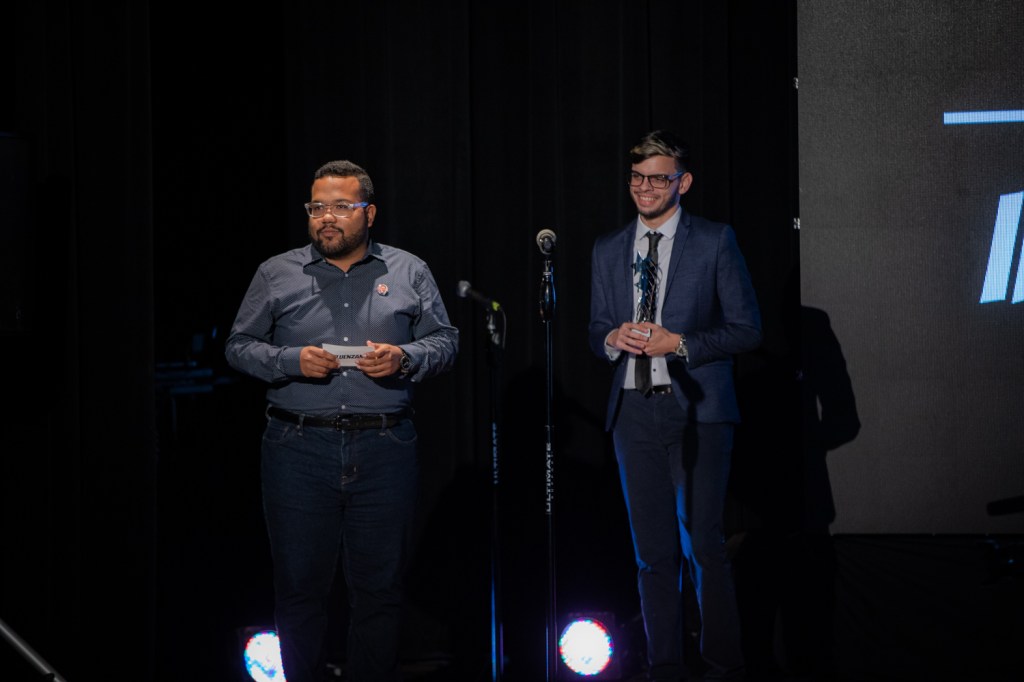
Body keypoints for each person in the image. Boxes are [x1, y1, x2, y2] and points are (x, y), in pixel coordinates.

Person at [225, 159, 459, 682]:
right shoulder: (276, 273)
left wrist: (405, 358)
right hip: (297, 448)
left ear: (368, 213)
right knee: (299, 590)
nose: (326, 218)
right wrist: (290, 361)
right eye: (317, 208)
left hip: (384, 448)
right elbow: (238, 346)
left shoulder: (409, 271)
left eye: (340, 207)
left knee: (379, 591)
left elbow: (446, 341)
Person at [588, 130, 762, 681]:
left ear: (682, 183)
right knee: (651, 553)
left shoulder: (714, 240)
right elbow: (595, 329)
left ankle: (723, 664)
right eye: (636, 178)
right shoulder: (609, 247)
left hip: (698, 412)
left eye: (657, 179)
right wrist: (611, 338)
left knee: (703, 543)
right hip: (632, 412)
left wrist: (680, 343)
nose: (644, 188)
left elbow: (747, 329)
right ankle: (664, 666)